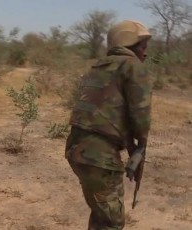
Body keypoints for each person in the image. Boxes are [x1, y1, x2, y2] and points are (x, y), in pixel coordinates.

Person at [65, 20, 152, 230]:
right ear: (128, 44)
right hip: (100, 157)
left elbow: (103, 113)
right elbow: (141, 116)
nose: (146, 52)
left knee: (101, 215)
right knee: (112, 222)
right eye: (142, 46)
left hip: (76, 150)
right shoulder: (132, 67)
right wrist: (140, 145)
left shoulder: (99, 66)